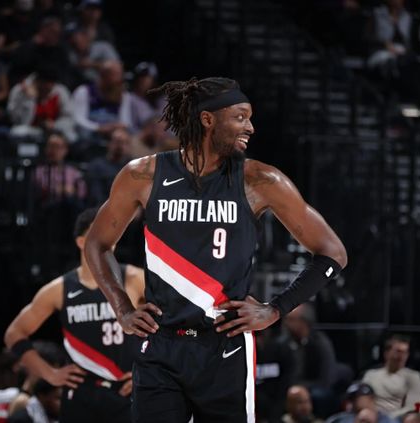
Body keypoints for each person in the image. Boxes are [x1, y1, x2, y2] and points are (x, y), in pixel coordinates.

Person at [83, 77, 347, 422]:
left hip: (225, 346)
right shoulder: (144, 175)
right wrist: (122, 308)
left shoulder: (260, 180)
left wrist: (275, 309)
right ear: (208, 119)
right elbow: (97, 243)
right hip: (161, 344)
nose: (250, 127)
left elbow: (332, 253)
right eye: (240, 117)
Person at [4, 207, 146, 422]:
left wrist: (147, 372)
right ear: (81, 242)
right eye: (98, 232)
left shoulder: (134, 279)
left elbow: (170, 323)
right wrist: (50, 374)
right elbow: (14, 334)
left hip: (126, 390)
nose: (106, 240)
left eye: (111, 233)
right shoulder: (59, 289)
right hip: (81, 393)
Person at [362, 335, 420, 418]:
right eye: (398, 351)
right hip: (370, 416)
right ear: (386, 353)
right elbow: (362, 399)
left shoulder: (413, 376)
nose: (402, 356)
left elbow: (414, 406)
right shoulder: (371, 375)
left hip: (396, 418)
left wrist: (388, 417)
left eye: (405, 352)